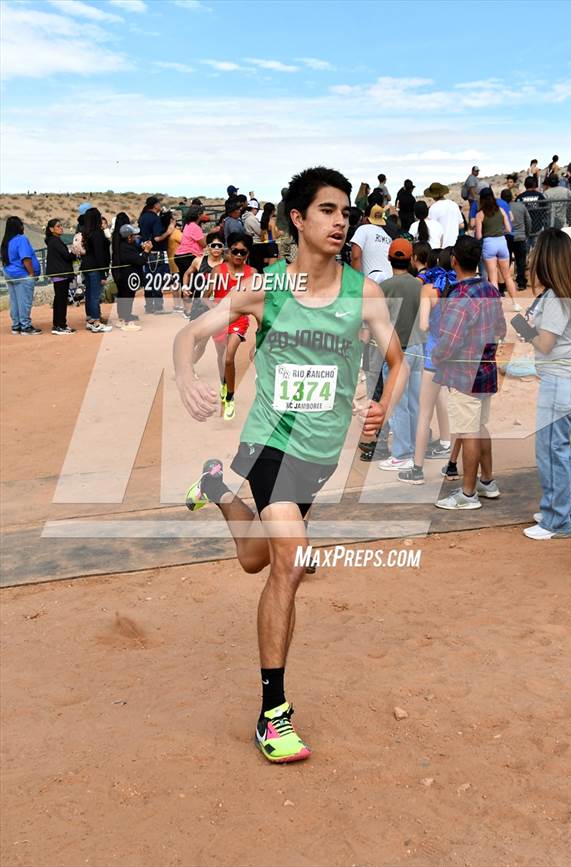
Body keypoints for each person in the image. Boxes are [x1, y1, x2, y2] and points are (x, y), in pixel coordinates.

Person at [174, 166, 406, 763]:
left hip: (318, 454)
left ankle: (216, 488)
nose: (340, 220)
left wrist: (383, 404)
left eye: (346, 211)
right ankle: (273, 714)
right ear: (297, 219)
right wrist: (185, 377)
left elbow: (397, 361)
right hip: (269, 441)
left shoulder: (365, 294)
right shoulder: (267, 287)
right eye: (327, 210)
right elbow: (192, 335)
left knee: (259, 560)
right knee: (293, 561)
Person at [517, 230, 571, 539]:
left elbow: (545, 344)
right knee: (557, 447)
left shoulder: (554, 299)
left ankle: (556, 520)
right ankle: (563, 511)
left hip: (562, 379)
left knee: (550, 449)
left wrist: (524, 327)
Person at [432, 235, 506, 510]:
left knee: (468, 430)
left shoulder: (461, 296)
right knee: (478, 426)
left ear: (454, 261)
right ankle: (487, 482)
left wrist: (437, 356)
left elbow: (449, 340)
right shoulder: (489, 289)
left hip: (465, 374)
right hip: (486, 369)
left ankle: (468, 492)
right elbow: (501, 329)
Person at [398, 245, 454, 484]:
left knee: (424, 413)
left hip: (433, 354)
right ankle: (453, 463)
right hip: (456, 354)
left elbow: (422, 325)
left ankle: (418, 469)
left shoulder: (429, 290)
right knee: (461, 411)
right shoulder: (459, 288)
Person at [196, 231, 255, 422]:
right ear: (229, 251)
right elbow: (206, 297)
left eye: (243, 252)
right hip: (219, 320)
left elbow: (259, 299)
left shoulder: (252, 273)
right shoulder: (218, 271)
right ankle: (224, 383)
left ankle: (230, 397)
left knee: (229, 357)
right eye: (235, 251)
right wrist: (216, 308)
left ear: (248, 253)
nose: (238, 255)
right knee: (221, 356)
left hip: (239, 320)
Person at [377, 238, 424, 471]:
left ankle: (401, 454)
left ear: (389, 258)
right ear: (411, 258)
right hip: (418, 350)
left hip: (396, 353)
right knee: (415, 402)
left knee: (398, 406)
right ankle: (415, 449)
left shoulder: (383, 287)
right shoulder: (419, 285)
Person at [474, 188, 521, 311]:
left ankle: (497, 306)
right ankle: (515, 303)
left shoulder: (480, 214)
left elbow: (478, 235)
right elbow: (509, 229)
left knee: (493, 277)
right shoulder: (500, 210)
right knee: (507, 276)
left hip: (489, 243)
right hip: (502, 242)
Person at [1, 216, 42, 335]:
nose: (23, 227)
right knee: (24, 301)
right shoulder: (21, 239)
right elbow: (26, 258)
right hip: (22, 274)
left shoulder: (6, 241)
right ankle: (26, 326)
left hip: (9, 273)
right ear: (19, 227)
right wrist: (31, 273)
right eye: (22, 224)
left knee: (15, 301)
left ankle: (16, 325)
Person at [112, 224, 153, 331]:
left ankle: (123, 318)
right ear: (129, 237)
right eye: (134, 235)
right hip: (128, 277)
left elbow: (135, 252)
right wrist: (146, 252)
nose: (136, 237)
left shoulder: (125, 245)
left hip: (125, 276)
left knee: (124, 296)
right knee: (127, 297)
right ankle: (126, 322)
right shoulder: (125, 248)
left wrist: (142, 248)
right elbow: (140, 261)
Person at [138, 196, 175, 314]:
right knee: (157, 280)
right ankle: (158, 307)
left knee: (149, 280)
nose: (160, 205)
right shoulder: (155, 218)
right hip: (156, 253)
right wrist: (169, 231)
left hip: (146, 252)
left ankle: (149, 306)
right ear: (155, 205)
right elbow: (157, 238)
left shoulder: (143, 217)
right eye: (159, 203)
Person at [81, 207, 112, 332]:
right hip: (95, 267)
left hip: (86, 266)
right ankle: (96, 322)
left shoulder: (86, 232)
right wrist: (104, 273)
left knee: (89, 294)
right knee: (94, 295)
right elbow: (100, 254)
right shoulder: (97, 233)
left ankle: (90, 319)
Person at [181, 231, 225, 320]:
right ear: (208, 247)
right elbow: (187, 274)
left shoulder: (228, 263)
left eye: (219, 246)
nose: (216, 248)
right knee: (195, 331)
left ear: (223, 247)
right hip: (199, 305)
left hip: (220, 305)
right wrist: (185, 287)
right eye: (213, 246)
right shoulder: (198, 261)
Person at [44, 218, 76, 334]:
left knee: (59, 299)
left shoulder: (54, 240)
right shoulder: (55, 241)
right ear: (51, 229)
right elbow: (67, 256)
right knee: (61, 300)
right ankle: (60, 325)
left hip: (60, 274)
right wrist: (74, 252)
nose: (61, 227)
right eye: (58, 226)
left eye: (61, 225)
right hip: (61, 274)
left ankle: (59, 324)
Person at [350, 204, 393, 283]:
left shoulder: (363, 229)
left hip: (373, 282)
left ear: (366, 219)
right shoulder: (388, 237)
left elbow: (355, 256)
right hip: (389, 282)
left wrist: (353, 282)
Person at [504, 189, 532, 289]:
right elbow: (528, 221)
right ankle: (521, 282)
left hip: (506, 237)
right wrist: (526, 234)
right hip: (520, 237)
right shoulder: (521, 206)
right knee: (520, 261)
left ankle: (504, 283)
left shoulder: (501, 208)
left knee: (505, 261)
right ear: (512, 197)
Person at [174, 205, 208, 285]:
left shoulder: (188, 225)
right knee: (193, 282)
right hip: (188, 257)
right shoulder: (195, 227)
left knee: (185, 281)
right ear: (199, 215)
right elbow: (203, 244)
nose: (204, 215)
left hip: (180, 256)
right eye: (202, 214)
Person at [424, 183, 464, 247]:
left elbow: (432, 229)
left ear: (432, 196)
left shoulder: (433, 208)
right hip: (455, 246)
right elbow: (461, 225)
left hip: (441, 247)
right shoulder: (454, 205)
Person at [251, 202, 280, 273]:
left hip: (263, 246)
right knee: (272, 271)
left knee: (263, 270)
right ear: (273, 211)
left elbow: (263, 237)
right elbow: (273, 237)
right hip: (271, 246)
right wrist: (279, 233)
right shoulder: (272, 222)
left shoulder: (263, 221)